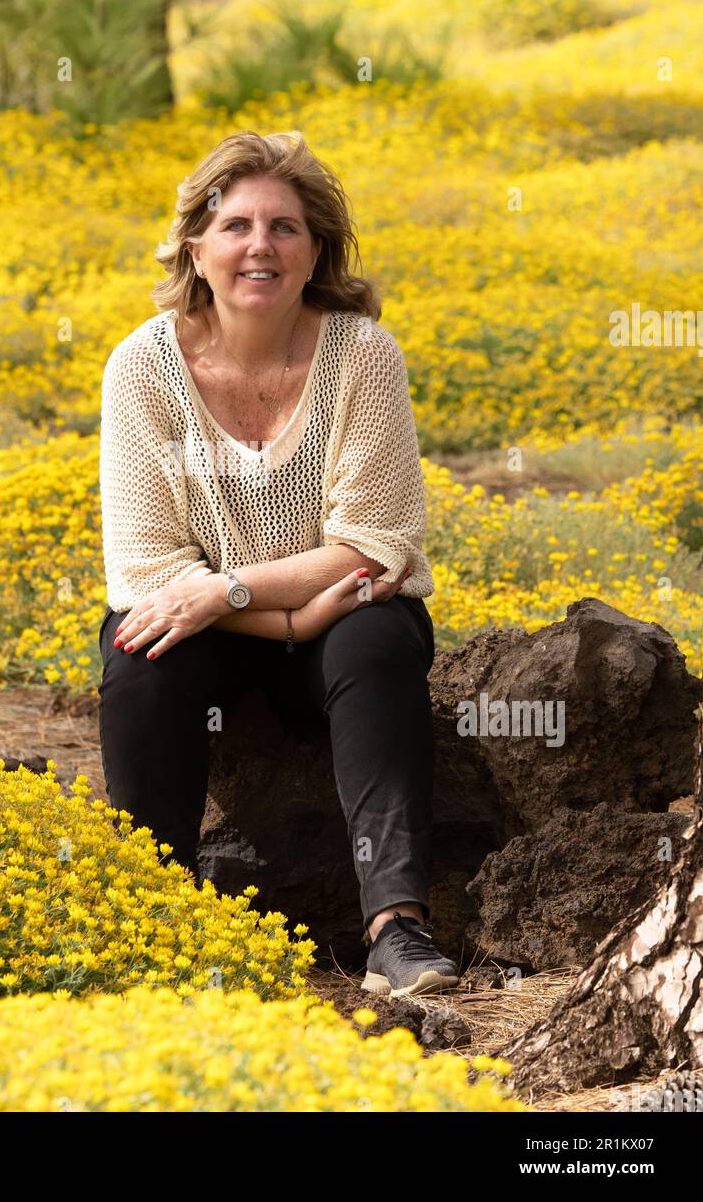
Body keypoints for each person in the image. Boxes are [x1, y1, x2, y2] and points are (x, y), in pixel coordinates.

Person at [96, 129, 459, 998]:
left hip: (341, 629)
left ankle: (395, 931)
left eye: (285, 228)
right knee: (144, 649)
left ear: (315, 252)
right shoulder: (141, 368)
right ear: (196, 248)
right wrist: (288, 611)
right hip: (233, 633)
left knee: (375, 639)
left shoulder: (362, 357)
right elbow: (148, 573)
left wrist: (228, 588)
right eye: (236, 226)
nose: (260, 245)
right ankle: (150, 921)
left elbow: (374, 547)